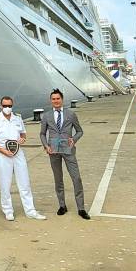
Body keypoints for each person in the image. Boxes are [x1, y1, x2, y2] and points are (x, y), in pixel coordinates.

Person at [0, 96, 47, 221]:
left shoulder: (17, 118)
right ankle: (8, 211)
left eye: (9, 106)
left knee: (25, 182)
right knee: (5, 184)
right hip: (2, 154)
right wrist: (2, 150)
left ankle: (30, 211)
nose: (7, 108)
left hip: (18, 152)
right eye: (5, 106)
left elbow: (23, 134)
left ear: (12, 106)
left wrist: (23, 139)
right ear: (0, 106)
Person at [40, 89, 90, 219]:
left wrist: (74, 139)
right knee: (58, 179)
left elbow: (80, 131)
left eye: (58, 99)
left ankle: (81, 208)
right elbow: (42, 133)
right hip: (54, 150)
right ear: (51, 101)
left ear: (62, 100)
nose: (56, 101)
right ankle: (62, 205)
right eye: (53, 99)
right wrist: (46, 145)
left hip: (68, 149)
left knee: (76, 178)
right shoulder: (46, 116)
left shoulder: (71, 114)